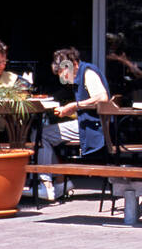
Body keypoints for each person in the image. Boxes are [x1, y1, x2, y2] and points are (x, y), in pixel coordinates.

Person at [37, 47, 109, 202]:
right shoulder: (82, 73)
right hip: (89, 122)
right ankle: (60, 180)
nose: (64, 79)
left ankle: (47, 184)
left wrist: (74, 106)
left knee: (41, 135)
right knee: (42, 133)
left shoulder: (88, 73)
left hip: (95, 126)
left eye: (64, 74)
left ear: (73, 64)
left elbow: (102, 98)